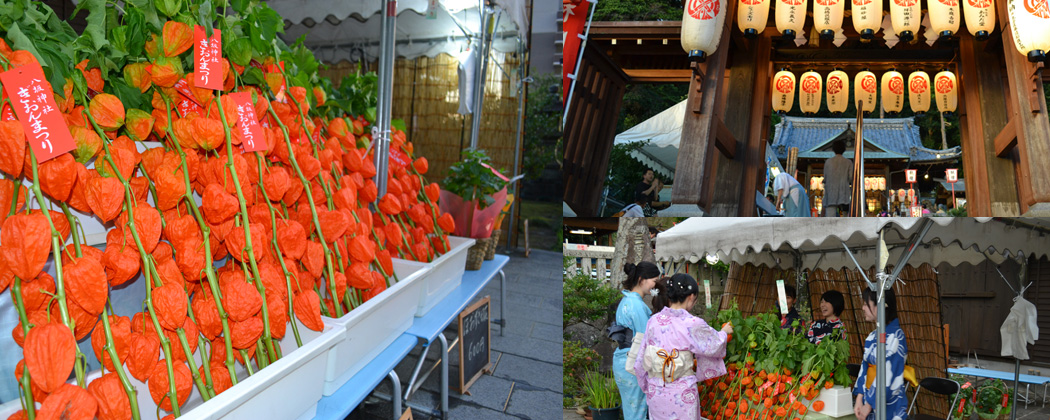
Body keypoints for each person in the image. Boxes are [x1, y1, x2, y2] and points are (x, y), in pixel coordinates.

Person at [634, 273, 733, 420]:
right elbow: (714, 344)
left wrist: (649, 388)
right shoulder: (692, 323)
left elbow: (640, 362)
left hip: (657, 391)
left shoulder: (653, 321)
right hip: (683, 393)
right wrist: (724, 333)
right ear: (692, 296)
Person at [611, 262, 661, 420]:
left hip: (622, 359)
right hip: (632, 361)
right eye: (654, 280)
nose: (656, 285)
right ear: (641, 279)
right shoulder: (636, 305)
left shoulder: (626, 300)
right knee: (638, 413)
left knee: (632, 411)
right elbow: (644, 338)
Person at [853, 287, 908, 420]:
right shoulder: (872, 336)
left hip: (889, 404)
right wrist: (860, 398)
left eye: (866, 304)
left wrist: (869, 404)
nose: (863, 308)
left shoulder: (896, 336)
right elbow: (864, 368)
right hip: (868, 398)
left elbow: (887, 374)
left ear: (881, 306)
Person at [823, 140, 853, 217]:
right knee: (846, 215)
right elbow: (850, 178)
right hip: (844, 191)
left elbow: (825, 178)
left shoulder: (828, 162)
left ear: (833, 149)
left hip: (831, 191)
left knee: (830, 215)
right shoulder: (848, 162)